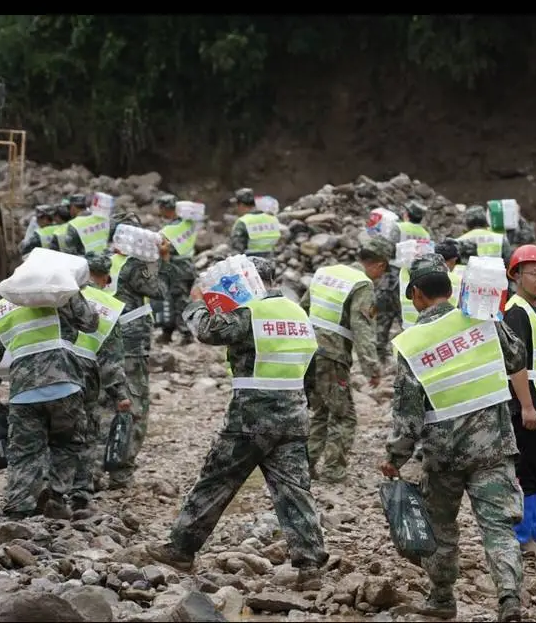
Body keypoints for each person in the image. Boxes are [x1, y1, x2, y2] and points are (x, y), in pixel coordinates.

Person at [147, 256, 329, 577]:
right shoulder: (298, 313)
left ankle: (180, 549)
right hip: (295, 415)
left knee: (216, 481)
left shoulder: (250, 313)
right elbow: (311, 367)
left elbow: (206, 331)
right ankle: (310, 564)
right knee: (294, 491)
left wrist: (195, 305)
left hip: (251, 418)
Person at [380, 254, 531, 622]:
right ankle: (509, 597)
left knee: (442, 529)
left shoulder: (411, 342)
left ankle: (442, 599)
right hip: (493, 446)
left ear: (416, 294)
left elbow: (408, 415)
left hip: (442, 455)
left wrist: (394, 458)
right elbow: (517, 358)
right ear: (450, 290)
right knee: (498, 527)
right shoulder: (479, 320)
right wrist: (491, 317)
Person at [0, 282, 99, 520]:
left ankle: (19, 508)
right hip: (67, 386)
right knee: (66, 443)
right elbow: (91, 324)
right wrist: (74, 294)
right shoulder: (62, 297)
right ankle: (57, 496)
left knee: (24, 451)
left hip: (24, 392)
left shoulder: (8, 307)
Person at [300, 239, 384, 482]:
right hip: (332, 357)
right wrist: (371, 367)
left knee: (321, 410)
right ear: (378, 265)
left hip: (309, 351)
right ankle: (334, 470)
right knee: (343, 415)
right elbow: (363, 327)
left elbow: (302, 308)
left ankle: (305, 465)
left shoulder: (325, 273)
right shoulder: (361, 284)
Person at [104, 217, 172, 488]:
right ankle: (121, 470)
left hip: (103, 342)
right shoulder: (134, 266)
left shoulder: (104, 262)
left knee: (103, 402)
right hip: (130, 345)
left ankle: (96, 466)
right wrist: (163, 260)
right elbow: (160, 290)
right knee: (134, 403)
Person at [503, 245, 536, 550]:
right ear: (516, 276)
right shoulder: (517, 312)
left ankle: (534, 532)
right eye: (534, 273)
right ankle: (522, 536)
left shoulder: (533, 312)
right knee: (525, 470)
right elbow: (516, 363)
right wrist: (525, 405)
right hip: (527, 404)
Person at [69, 252, 130, 515]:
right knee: (87, 432)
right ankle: (82, 492)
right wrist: (120, 395)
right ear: (106, 277)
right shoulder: (109, 305)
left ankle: (52, 485)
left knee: (55, 431)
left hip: (56, 369)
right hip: (87, 375)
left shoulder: (62, 295)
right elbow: (110, 359)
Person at [156, 194, 197, 345]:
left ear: (165, 209)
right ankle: (168, 332)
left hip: (176, 269)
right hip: (189, 266)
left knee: (177, 302)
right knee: (179, 300)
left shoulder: (168, 230)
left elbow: (163, 250)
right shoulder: (189, 224)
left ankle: (186, 334)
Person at [370, 237, 400, 366]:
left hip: (390, 302)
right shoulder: (397, 265)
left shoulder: (390, 268)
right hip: (395, 302)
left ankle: (381, 360)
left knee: (381, 332)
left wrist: (374, 305)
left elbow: (384, 289)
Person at [229, 188, 281, 257]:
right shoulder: (273, 219)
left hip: (252, 264)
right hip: (275, 262)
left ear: (241, 205)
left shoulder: (243, 222)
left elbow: (237, 252)